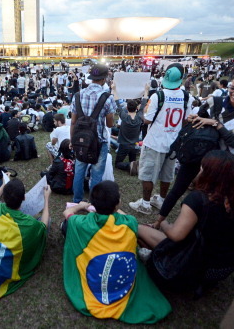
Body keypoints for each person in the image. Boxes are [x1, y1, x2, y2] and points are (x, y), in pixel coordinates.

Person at [150, 69, 234, 229]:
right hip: (197, 154)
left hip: (222, 165)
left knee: (209, 199)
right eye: (232, 88)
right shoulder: (215, 102)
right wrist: (194, 119)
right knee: (177, 189)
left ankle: (191, 231)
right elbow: (198, 119)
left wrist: (216, 124)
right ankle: (158, 222)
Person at [138, 151, 234, 291]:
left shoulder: (199, 199)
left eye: (202, 168)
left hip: (190, 265)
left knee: (140, 229)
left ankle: (154, 257)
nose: (199, 170)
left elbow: (176, 235)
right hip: (223, 268)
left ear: (211, 174)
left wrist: (164, 224)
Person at [62, 181, 171, 324]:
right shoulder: (129, 222)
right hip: (122, 284)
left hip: (93, 287)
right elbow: (124, 216)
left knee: (65, 227)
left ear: (94, 203)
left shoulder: (80, 223)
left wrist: (82, 206)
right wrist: (113, 209)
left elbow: (67, 213)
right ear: (118, 203)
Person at [130, 63, 192, 215]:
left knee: (148, 174)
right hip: (174, 142)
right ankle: (161, 200)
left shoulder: (158, 95)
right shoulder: (187, 97)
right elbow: (186, 120)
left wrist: (144, 110)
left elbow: (147, 120)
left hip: (155, 141)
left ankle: (145, 204)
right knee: (167, 174)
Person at [70, 64, 117, 203]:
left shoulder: (78, 95)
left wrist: (72, 140)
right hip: (99, 140)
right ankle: (93, 203)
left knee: (79, 171)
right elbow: (110, 124)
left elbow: (73, 121)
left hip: (80, 140)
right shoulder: (107, 98)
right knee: (96, 174)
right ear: (104, 79)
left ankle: (77, 200)